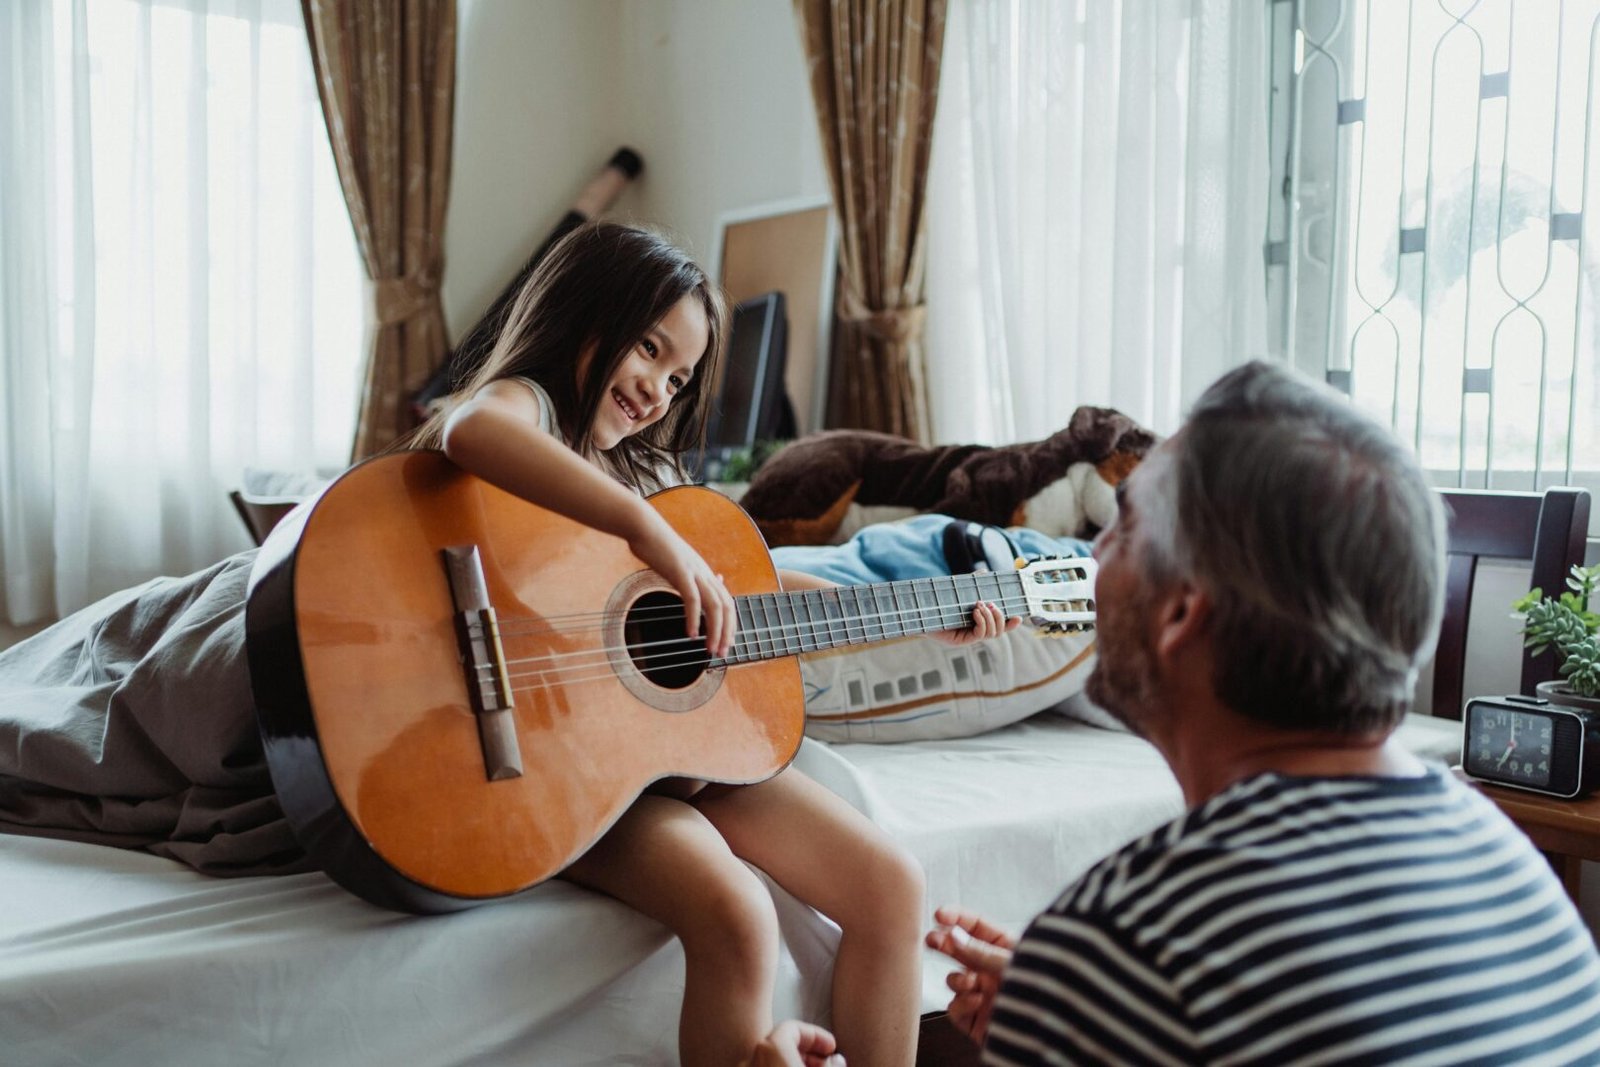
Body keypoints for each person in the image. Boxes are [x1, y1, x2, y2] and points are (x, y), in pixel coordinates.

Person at [411, 220, 1015, 1067]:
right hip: (565, 763)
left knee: (892, 884)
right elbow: (470, 427)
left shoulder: (653, 475)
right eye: (648, 349)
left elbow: (747, 592)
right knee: (738, 914)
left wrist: (913, 612)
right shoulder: (533, 410)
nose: (658, 389)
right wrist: (645, 531)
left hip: (669, 756)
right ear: (584, 312)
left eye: (678, 377)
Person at [925, 361, 1600, 1065]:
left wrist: (1078, 1004)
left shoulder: (1130, 937)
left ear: (1182, 611)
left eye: (1124, 528)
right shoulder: (1522, 884)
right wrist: (1091, 1013)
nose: (1094, 554)